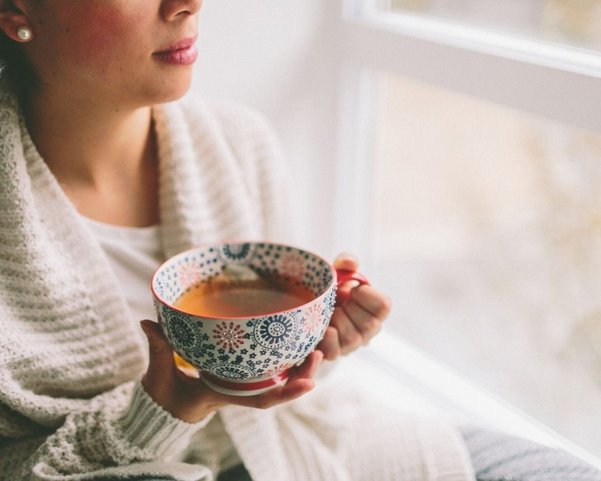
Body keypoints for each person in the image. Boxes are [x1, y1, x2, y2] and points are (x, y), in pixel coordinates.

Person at [0, 1, 600, 481]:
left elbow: (279, 377)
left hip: (301, 449)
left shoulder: (240, 144)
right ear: (16, 12)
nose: (188, 4)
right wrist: (164, 408)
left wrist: (318, 336)